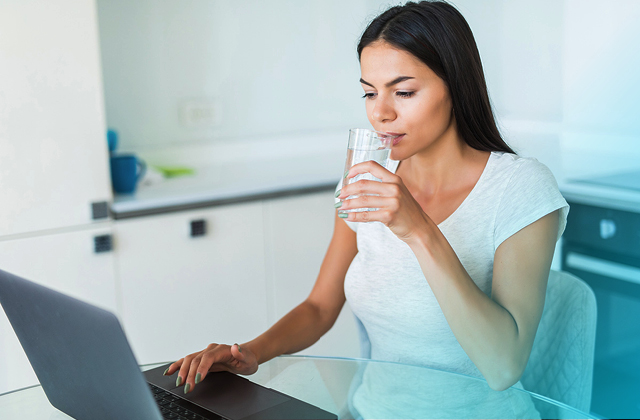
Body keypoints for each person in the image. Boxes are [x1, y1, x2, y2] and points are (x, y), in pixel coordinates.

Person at [165, 0, 569, 396]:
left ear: (457, 87)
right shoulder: (365, 180)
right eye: (369, 93)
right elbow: (320, 307)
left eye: (404, 92)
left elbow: (503, 367)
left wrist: (418, 230)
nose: (381, 113)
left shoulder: (520, 188)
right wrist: (250, 352)